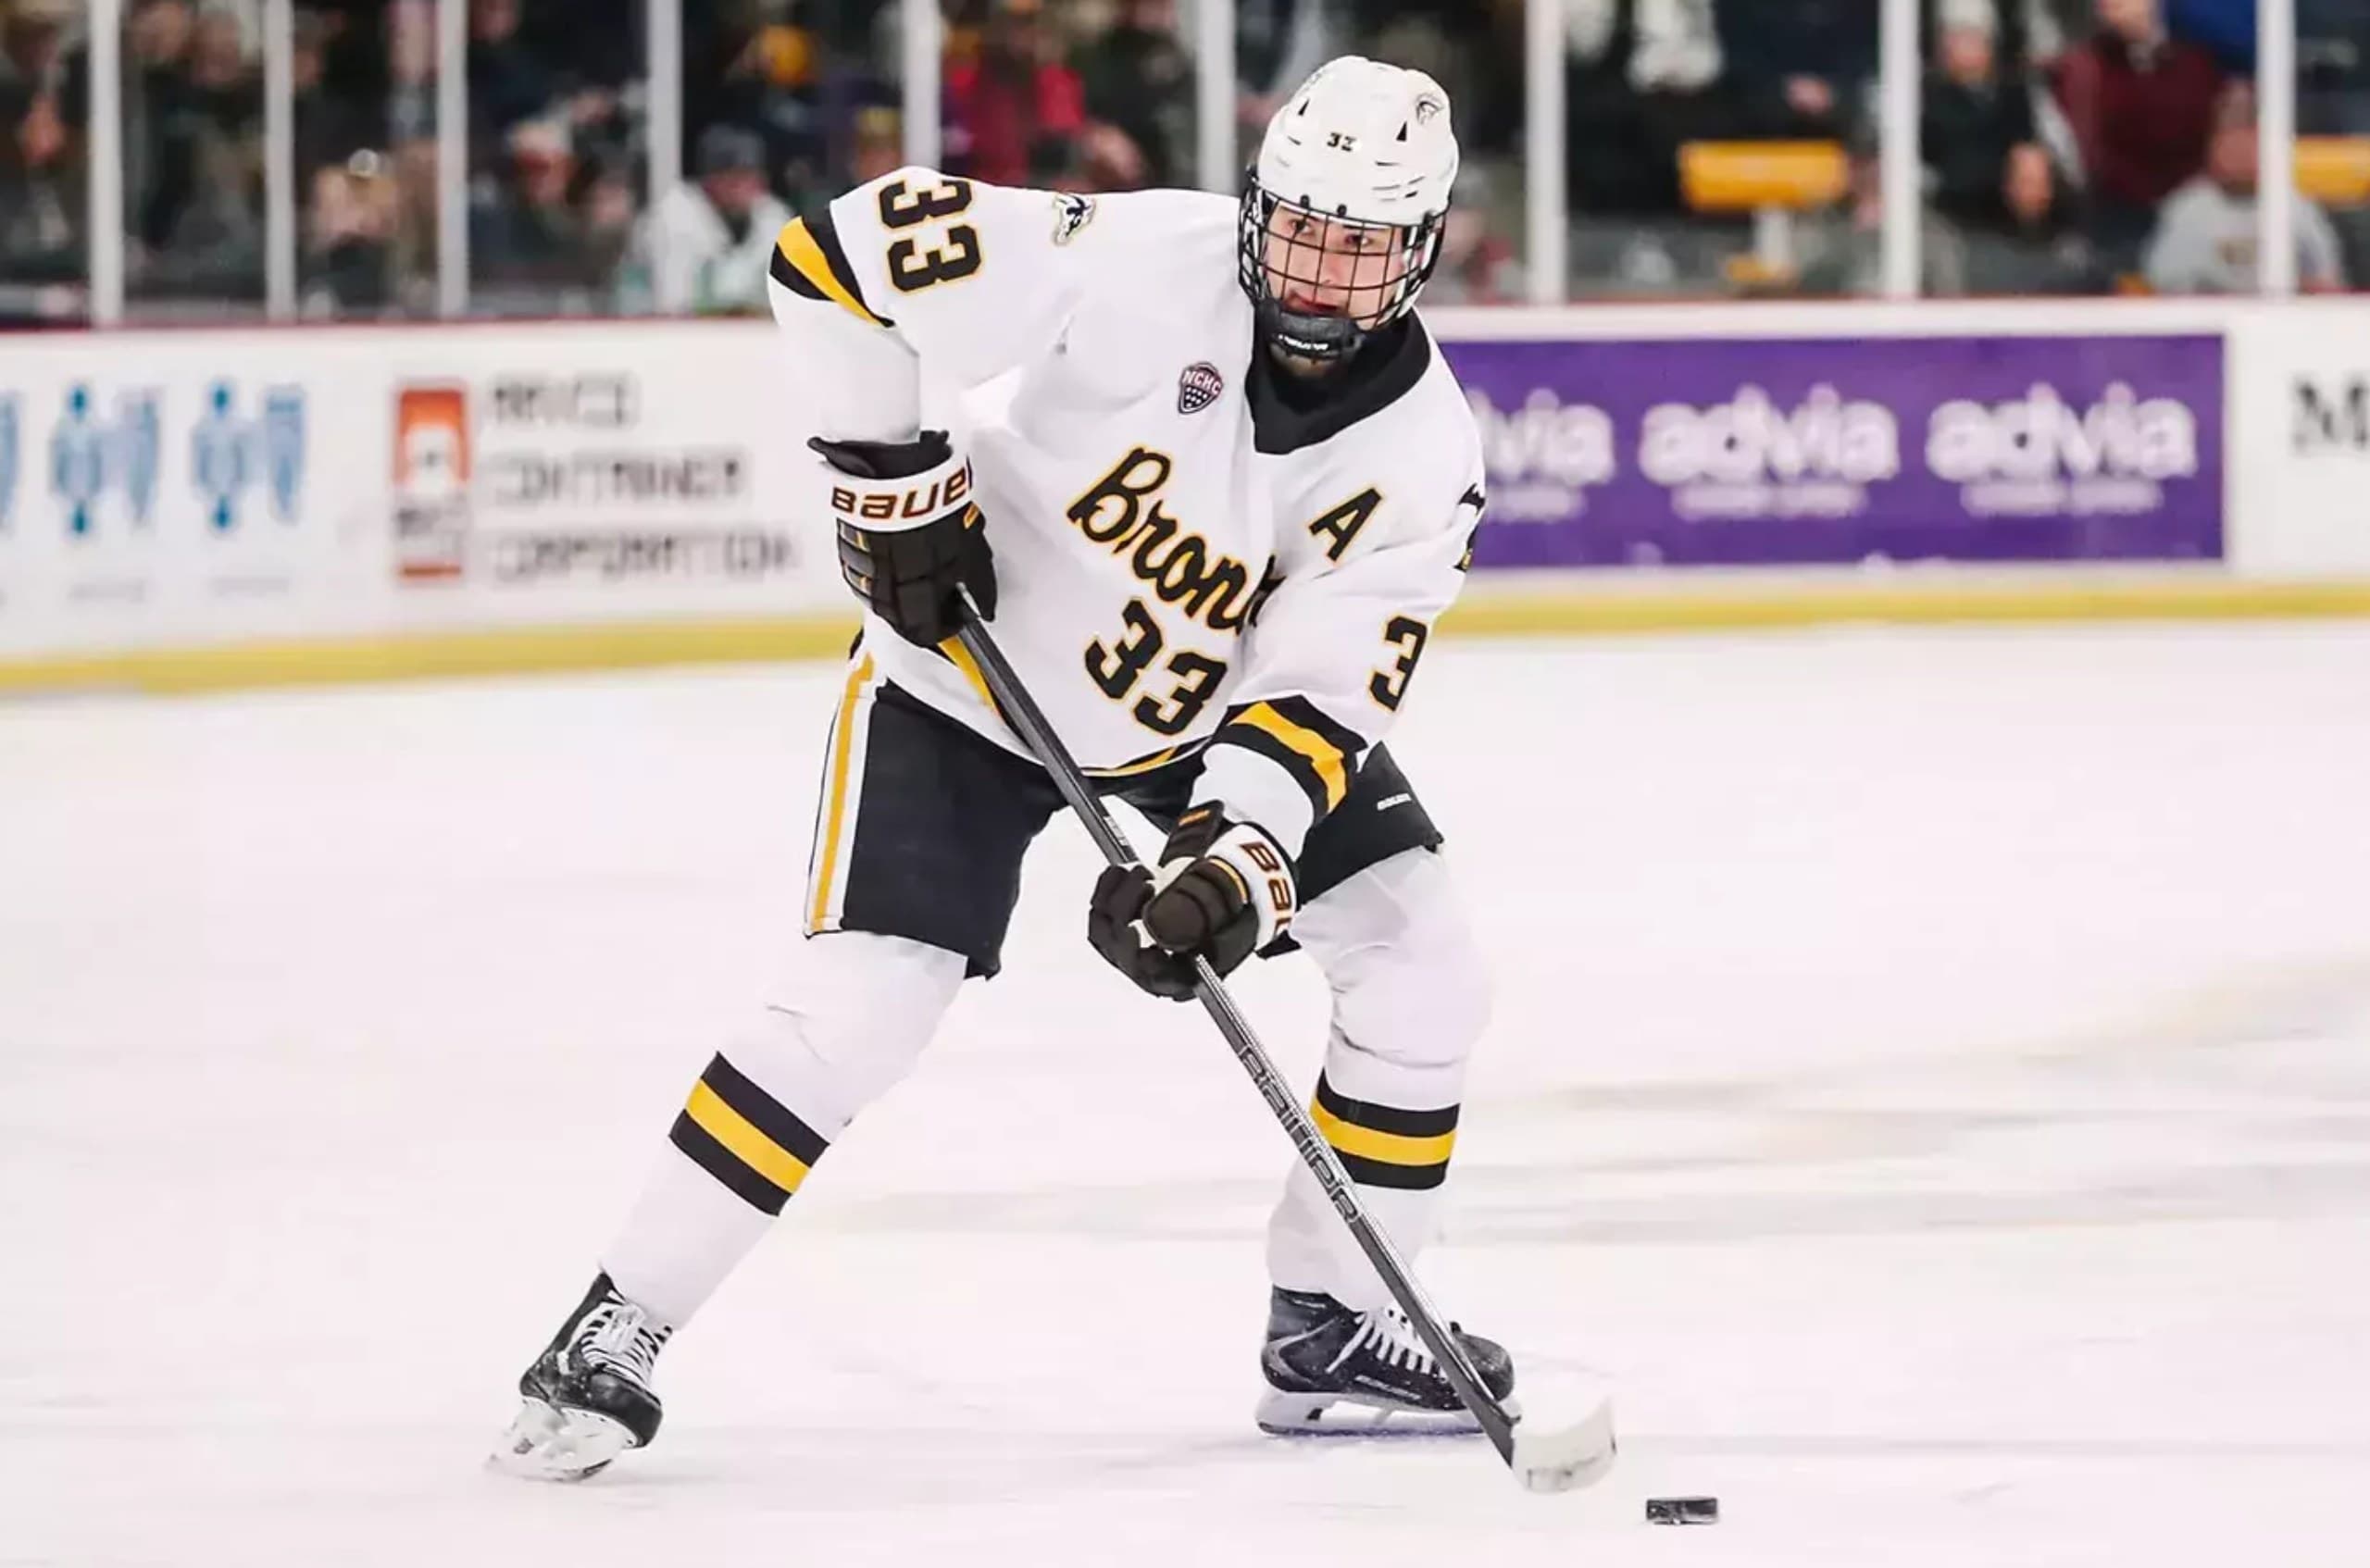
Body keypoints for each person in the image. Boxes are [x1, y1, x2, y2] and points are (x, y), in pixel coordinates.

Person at [492, 56, 1504, 1482]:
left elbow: (1317, 696)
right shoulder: (1138, 257)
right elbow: (835, 256)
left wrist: (1229, 871)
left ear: (1426, 248)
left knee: (1422, 957)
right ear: (1258, 204)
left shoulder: (1425, 458)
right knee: (867, 996)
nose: (1320, 280)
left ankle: (1332, 1317)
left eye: (1362, 249)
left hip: (1188, 726)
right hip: (965, 678)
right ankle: (616, 1322)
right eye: (1300, 231)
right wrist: (890, 481)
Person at [2144, 91, 2348, 293]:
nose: (2240, 155)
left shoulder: (2295, 206)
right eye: (2231, 146)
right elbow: (2165, 286)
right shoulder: (2187, 209)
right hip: (2211, 319)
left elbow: (2328, 282)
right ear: (2213, 150)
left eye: (2248, 145)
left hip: (2280, 318)